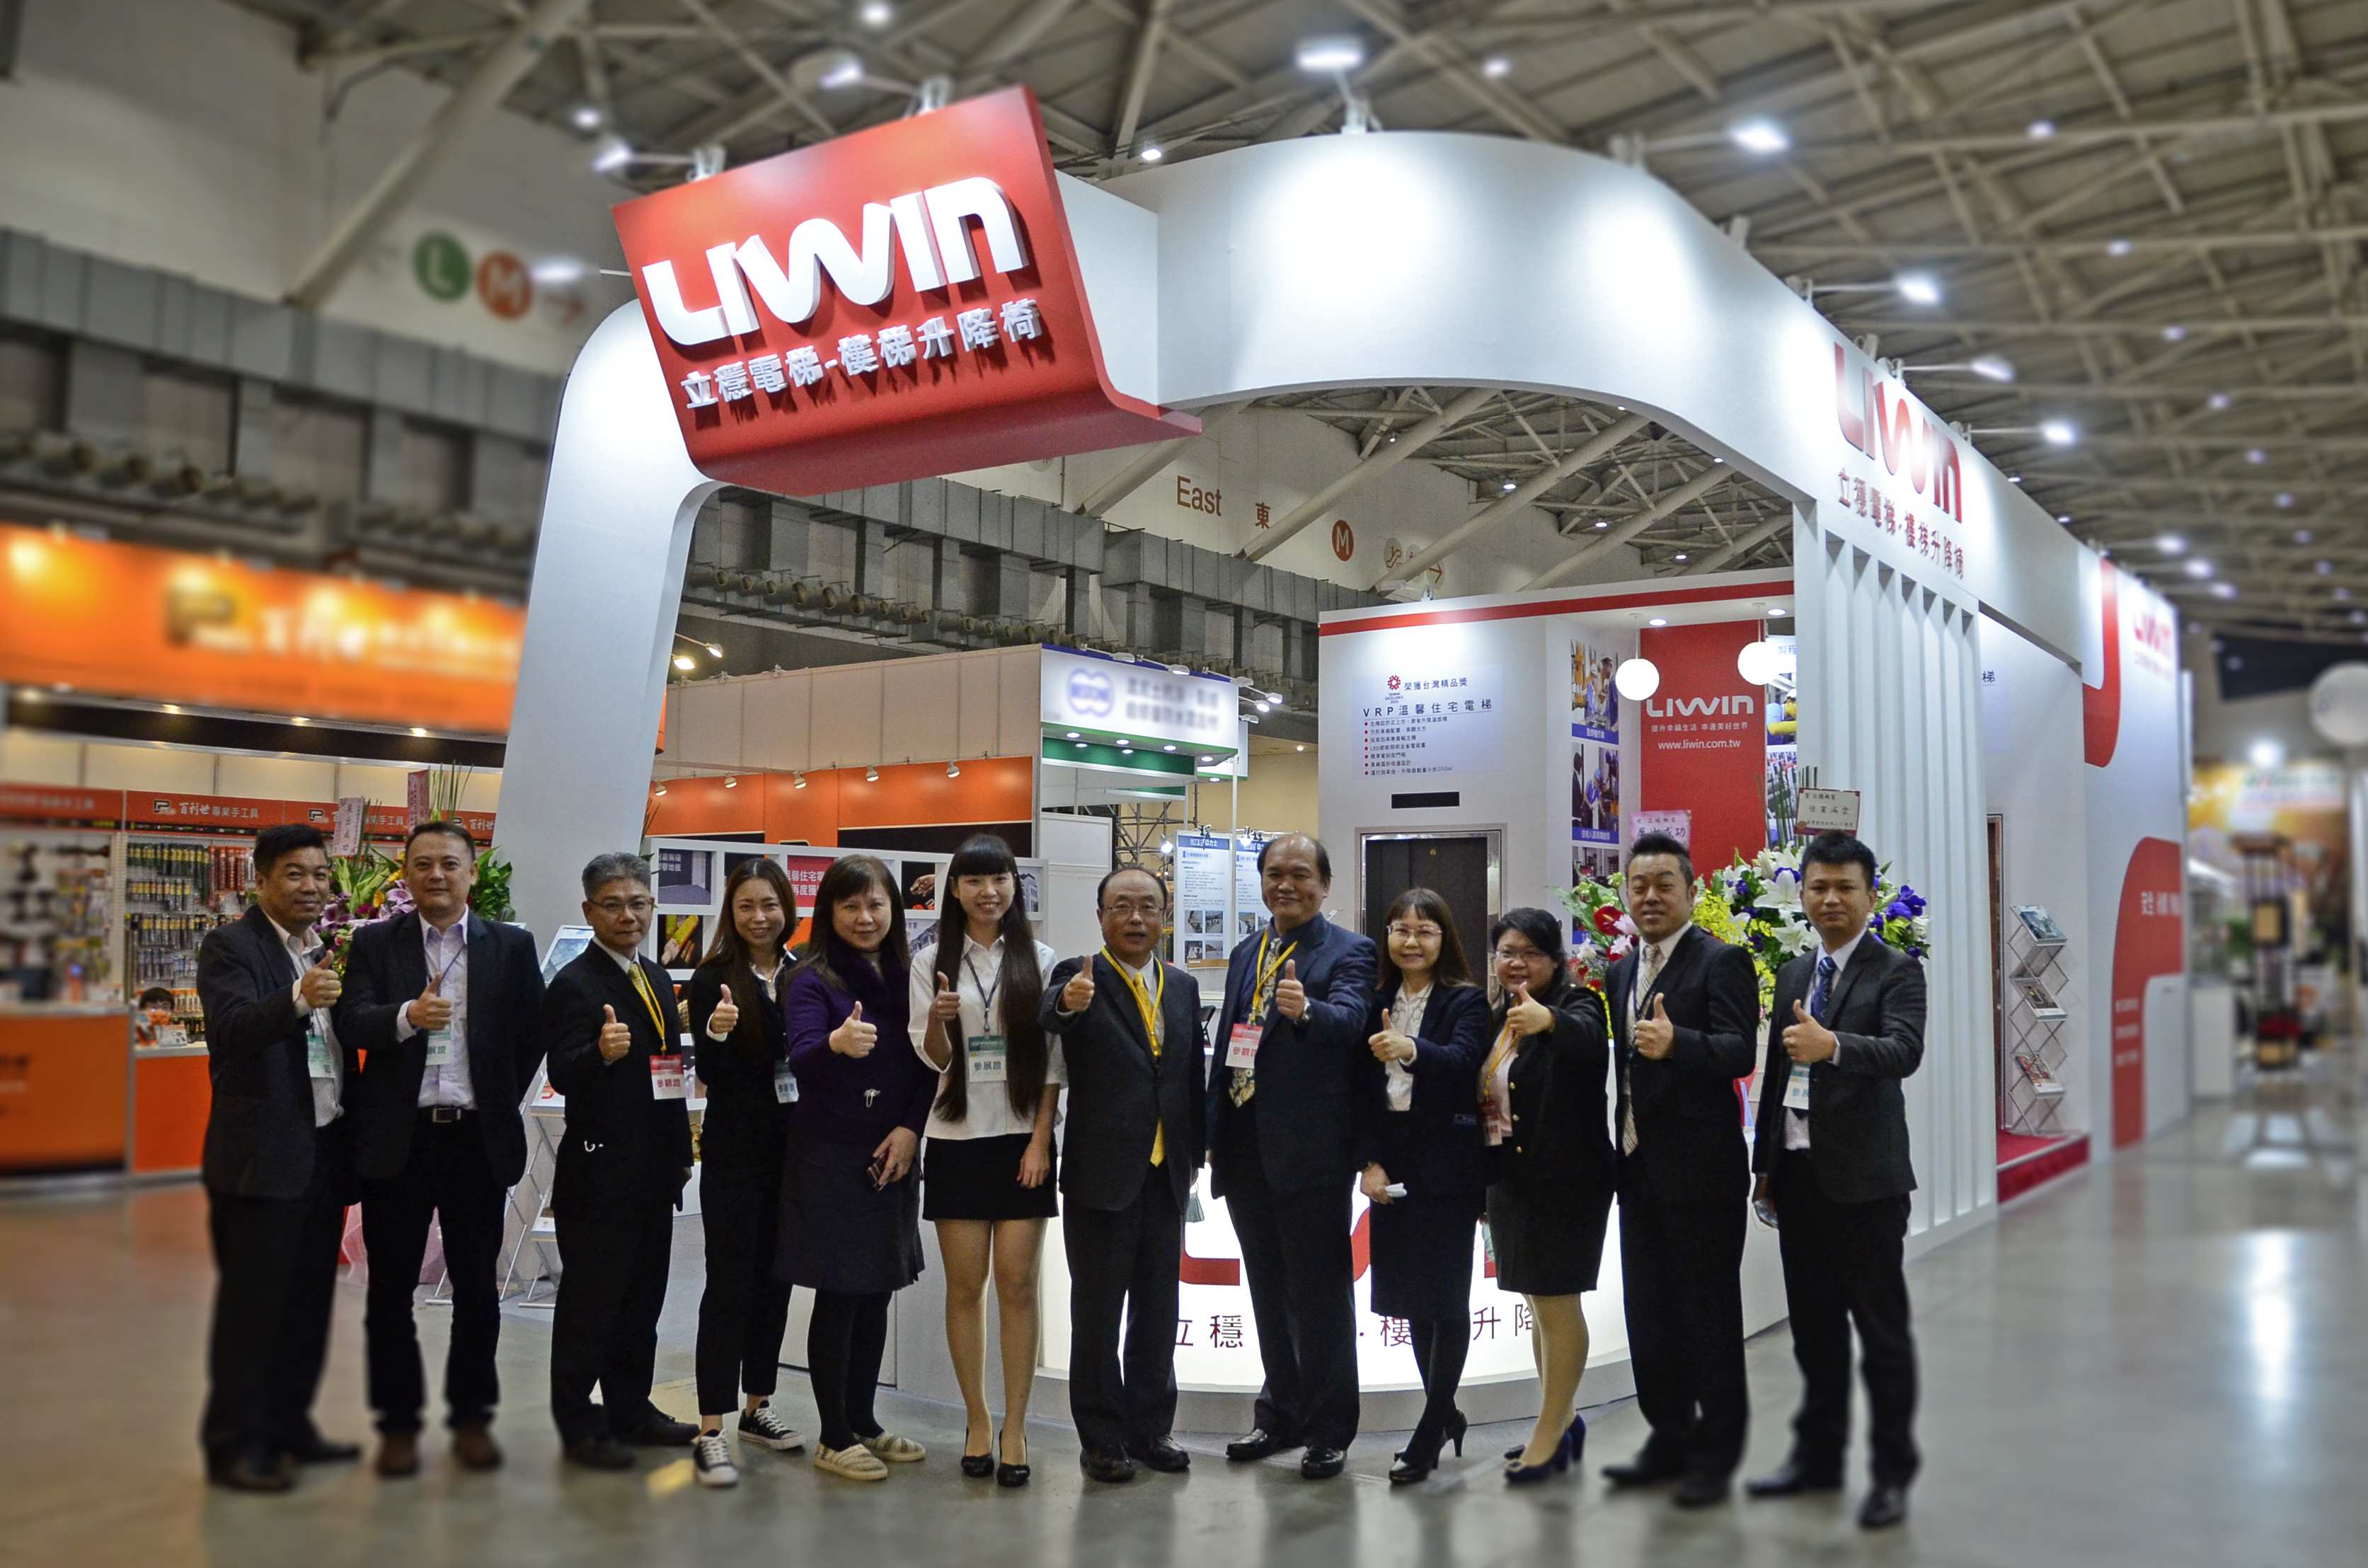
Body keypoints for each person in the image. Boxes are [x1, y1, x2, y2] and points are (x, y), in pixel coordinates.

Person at [337, 821, 548, 1477]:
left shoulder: (510, 945)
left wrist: (495, 1093)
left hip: (475, 1141)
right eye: (423, 863)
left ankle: (471, 1421)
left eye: (450, 864)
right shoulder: (375, 942)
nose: (437, 874)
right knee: (390, 1293)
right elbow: (350, 1021)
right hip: (398, 1141)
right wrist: (406, 1017)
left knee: (478, 1293)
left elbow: (531, 1034)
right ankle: (398, 1427)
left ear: (472, 873)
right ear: (405, 873)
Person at [1747, 832, 1926, 1530]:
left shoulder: (1895, 969)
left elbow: (1903, 1050)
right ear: (1802, 894)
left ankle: (1891, 1474)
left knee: (1881, 1337)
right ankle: (1818, 1458)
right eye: (1818, 887)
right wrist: (1765, 1170)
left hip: (1867, 1186)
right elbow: (1775, 1075)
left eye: (1845, 887)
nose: (1830, 899)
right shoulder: (1794, 971)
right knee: (1814, 1333)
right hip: (1798, 1179)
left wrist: (1835, 1046)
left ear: (1870, 895)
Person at [1205, 832, 1377, 1480]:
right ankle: (1280, 1414)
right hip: (1245, 1149)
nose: (1286, 885)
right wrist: (1213, 1133)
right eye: (1275, 873)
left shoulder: (1350, 951)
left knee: (1321, 1296)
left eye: (1301, 874)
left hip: (1310, 1154)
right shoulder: (1248, 950)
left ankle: (1329, 1429)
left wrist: (1307, 1013)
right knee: (1268, 1290)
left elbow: (1352, 1021)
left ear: (1325, 885)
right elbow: (1233, 1042)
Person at [195, 822, 362, 1492]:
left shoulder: (319, 948)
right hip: (260, 1163)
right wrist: (297, 999)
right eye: (295, 874)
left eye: (320, 875)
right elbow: (232, 1030)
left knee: (307, 1306)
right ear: (261, 880)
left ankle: (291, 1428)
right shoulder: (231, 946)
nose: (311, 887)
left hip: (321, 1154)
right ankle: (236, 1446)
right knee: (253, 1311)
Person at [1599, 831, 1761, 1506]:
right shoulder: (1618, 972)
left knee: (1708, 1321)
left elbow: (1740, 1051)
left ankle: (1716, 1456)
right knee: (1649, 1317)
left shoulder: (1722, 961)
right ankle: (1667, 1440)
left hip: (1702, 1177)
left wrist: (1678, 1043)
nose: (1651, 896)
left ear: (1692, 892)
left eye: (1665, 884)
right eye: (1639, 885)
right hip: (1637, 1174)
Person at [1042, 866, 1206, 1485]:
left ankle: (1150, 1429)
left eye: (1148, 907)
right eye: (1122, 907)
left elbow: (1189, 1078)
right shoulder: (1079, 975)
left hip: (1167, 1176)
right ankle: (1102, 1437)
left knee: (1159, 1313)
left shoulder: (1182, 986)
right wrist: (1067, 1003)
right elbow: (1050, 1014)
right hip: (1102, 1177)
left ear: (1165, 917)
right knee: (1098, 1315)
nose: (1136, 918)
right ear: (1101, 917)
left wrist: (1197, 1156)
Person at [908, 834, 1063, 1489]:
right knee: (965, 1288)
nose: (988, 891)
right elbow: (934, 1059)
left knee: (1018, 1287)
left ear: (1013, 886)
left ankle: (1016, 1425)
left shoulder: (1043, 958)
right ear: (954, 890)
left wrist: (1041, 1141)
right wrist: (939, 1018)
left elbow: (1053, 1061)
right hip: (956, 1138)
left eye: (999, 878)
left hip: (1023, 1140)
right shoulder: (930, 960)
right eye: (973, 881)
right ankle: (977, 1417)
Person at [779, 853, 934, 1483]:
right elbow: (801, 1057)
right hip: (833, 1154)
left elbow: (928, 1064)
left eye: (876, 904)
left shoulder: (907, 975)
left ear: (893, 909)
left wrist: (910, 1130)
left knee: (877, 1291)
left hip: (894, 1150)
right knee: (840, 1292)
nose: (865, 917)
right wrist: (835, 1045)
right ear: (829, 911)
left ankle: (864, 1420)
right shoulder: (809, 978)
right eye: (850, 906)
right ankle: (833, 1434)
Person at [543, 853, 699, 1470]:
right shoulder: (574, 984)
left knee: (641, 1304)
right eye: (613, 905)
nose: (628, 915)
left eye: (638, 903)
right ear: (589, 911)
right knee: (591, 1308)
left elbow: (669, 1073)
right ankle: (577, 1425)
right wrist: (600, 1054)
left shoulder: (655, 976)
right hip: (600, 1173)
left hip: (653, 1171)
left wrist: (681, 1155)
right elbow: (562, 1071)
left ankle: (631, 1409)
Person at [1355, 887, 1490, 1485]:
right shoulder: (1375, 1000)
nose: (1411, 941)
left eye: (1425, 930)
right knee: (1412, 1300)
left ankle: (1430, 1427)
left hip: (1449, 1167)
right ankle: (1445, 1414)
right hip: (1392, 1163)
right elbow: (1359, 1092)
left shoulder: (1467, 1000)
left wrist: (1410, 1047)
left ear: (1445, 938)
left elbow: (1463, 1063)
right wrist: (1369, 1162)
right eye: (1400, 929)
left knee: (1446, 1300)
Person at [682, 860, 808, 1489]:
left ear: (787, 908)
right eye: (746, 907)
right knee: (728, 1283)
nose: (759, 917)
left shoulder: (803, 973)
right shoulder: (713, 978)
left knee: (775, 1281)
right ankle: (711, 1425)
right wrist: (717, 1031)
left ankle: (759, 1406)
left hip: (794, 1152)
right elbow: (710, 1069)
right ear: (730, 914)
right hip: (735, 1153)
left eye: (770, 905)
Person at [1478, 907, 1615, 1483]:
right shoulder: (1497, 1016)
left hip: (1566, 1182)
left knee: (1558, 1306)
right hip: (1511, 1181)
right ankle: (1561, 1418)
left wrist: (1549, 1019)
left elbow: (1588, 1040)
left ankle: (1550, 1433)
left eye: (1531, 953)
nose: (1518, 963)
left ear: (1556, 961)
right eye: (1507, 952)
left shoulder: (1578, 1004)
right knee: (1537, 1305)